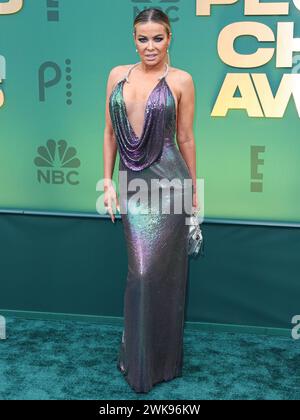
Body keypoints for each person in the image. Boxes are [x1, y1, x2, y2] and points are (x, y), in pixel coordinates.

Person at [103, 7, 198, 393]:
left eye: (158, 38)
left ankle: (161, 361)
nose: (150, 46)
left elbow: (186, 138)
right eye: (143, 39)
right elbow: (110, 132)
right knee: (140, 274)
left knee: (162, 276)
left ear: (169, 38)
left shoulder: (182, 80)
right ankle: (138, 359)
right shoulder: (116, 76)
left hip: (171, 185)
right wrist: (106, 182)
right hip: (131, 185)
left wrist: (194, 191)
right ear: (134, 39)